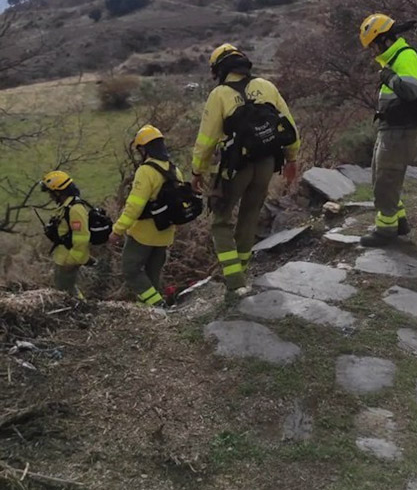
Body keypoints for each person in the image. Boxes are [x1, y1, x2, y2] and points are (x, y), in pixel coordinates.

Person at [191, 43, 299, 300]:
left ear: (219, 69)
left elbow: (206, 140)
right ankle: (242, 271)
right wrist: (291, 159)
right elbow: (289, 126)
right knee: (250, 215)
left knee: (220, 219)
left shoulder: (219, 95)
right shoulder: (267, 86)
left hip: (236, 166)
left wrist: (198, 171)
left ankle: (234, 280)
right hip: (266, 163)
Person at [358, 14, 417, 247]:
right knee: (381, 175)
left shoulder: (405, 57)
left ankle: (386, 230)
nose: (372, 51)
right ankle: (400, 221)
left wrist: (389, 76)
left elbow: (411, 92)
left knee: (386, 178)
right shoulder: (392, 58)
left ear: (384, 40)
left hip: (400, 129)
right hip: (391, 127)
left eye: (374, 45)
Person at [109, 124, 183, 307]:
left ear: (144, 149)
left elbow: (134, 206)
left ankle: (158, 306)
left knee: (131, 270)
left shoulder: (145, 171)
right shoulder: (175, 170)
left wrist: (117, 230)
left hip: (143, 235)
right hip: (166, 234)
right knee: (152, 276)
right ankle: (150, 312)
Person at [39, 170, 90, 299]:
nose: (50, 196)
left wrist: (71, 261)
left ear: (58, 192)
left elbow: (82, 239)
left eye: (51, 193)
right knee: (68, 290)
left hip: (68, 259)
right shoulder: (65, 207)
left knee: (66, 293)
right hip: (63, 257)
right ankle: (83, 309)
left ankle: (82, 310)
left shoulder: (75, 210)